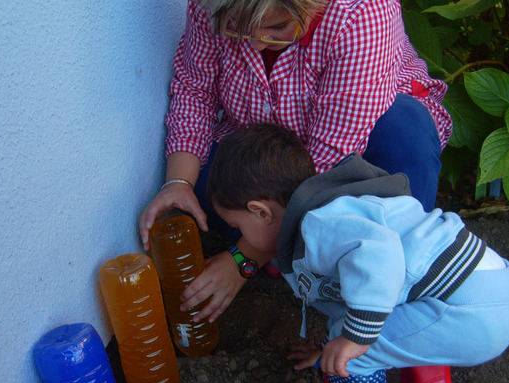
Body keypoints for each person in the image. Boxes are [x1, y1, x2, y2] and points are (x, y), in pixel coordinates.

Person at [205, 123, 509, 383]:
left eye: (239, 226)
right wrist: (330, 342)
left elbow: (379, 255)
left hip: (468, 312)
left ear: (261, 212)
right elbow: (367, 291)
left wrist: (352, 340)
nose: (241, 237)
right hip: (485, 286)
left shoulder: (319, 225)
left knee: (354, 355)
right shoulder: (339, 201)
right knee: (395, 313)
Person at [139, 0, 453, 326]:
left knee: (407, 130)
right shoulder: (211, 5)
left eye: (276, 28)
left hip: (355, 152)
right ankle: (292, 247)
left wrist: (244, 259)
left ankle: (394, 288)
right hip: (274, 145)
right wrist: (179, 183)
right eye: (236, 26)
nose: (255, 43)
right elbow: (196, 89)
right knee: (209, 186)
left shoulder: (363, 11)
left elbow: (330, 157)